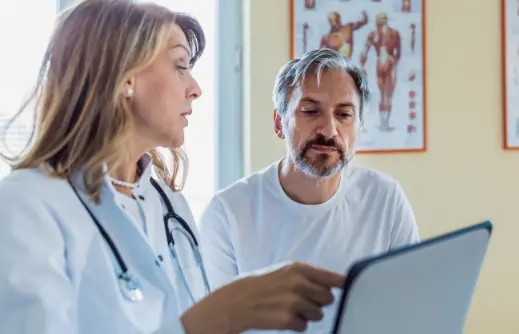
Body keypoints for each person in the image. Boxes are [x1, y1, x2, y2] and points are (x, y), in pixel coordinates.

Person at [0, 1, 345, 333]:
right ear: (125, 77)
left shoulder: (168, 205)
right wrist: (214, 318)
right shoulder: (27, 205)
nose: (195, 89)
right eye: (180, 65)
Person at [198, 48, 420, 333]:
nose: (329, 129)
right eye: (310, 111)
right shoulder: (227, 213)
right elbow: (215, 326)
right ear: (279, 122)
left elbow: (411, 307)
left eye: (344, 114)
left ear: (360, 127)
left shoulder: (385, 198)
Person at [360, 12, 401, 131]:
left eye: (380, 21)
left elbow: (398, 52)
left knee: (388, 94)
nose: (378, 23)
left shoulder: (394, 33)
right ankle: (382, 121)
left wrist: (392, 61)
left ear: (385, 20)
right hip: (379, 64)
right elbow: (365, 50)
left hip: (389, 63)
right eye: (377, 21)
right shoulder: (373, 34)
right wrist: (363, 62)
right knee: (380, 94)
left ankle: (385, 122)